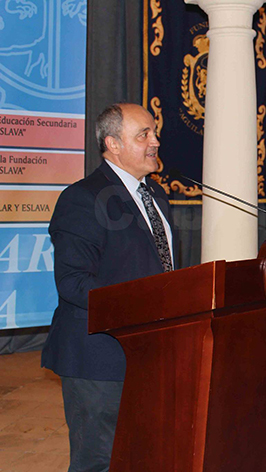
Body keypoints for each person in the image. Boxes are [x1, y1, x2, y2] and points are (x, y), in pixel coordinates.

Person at [41, 103, 175, 471]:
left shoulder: (155, 195)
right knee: (100, 462)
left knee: (141, 454)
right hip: (98, 356)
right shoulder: (82, 198)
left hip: (149, 351)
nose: (155, 142)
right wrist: (143, 307)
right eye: (143, 135)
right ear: (113, 144)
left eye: (154, 133)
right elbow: (73, 282)